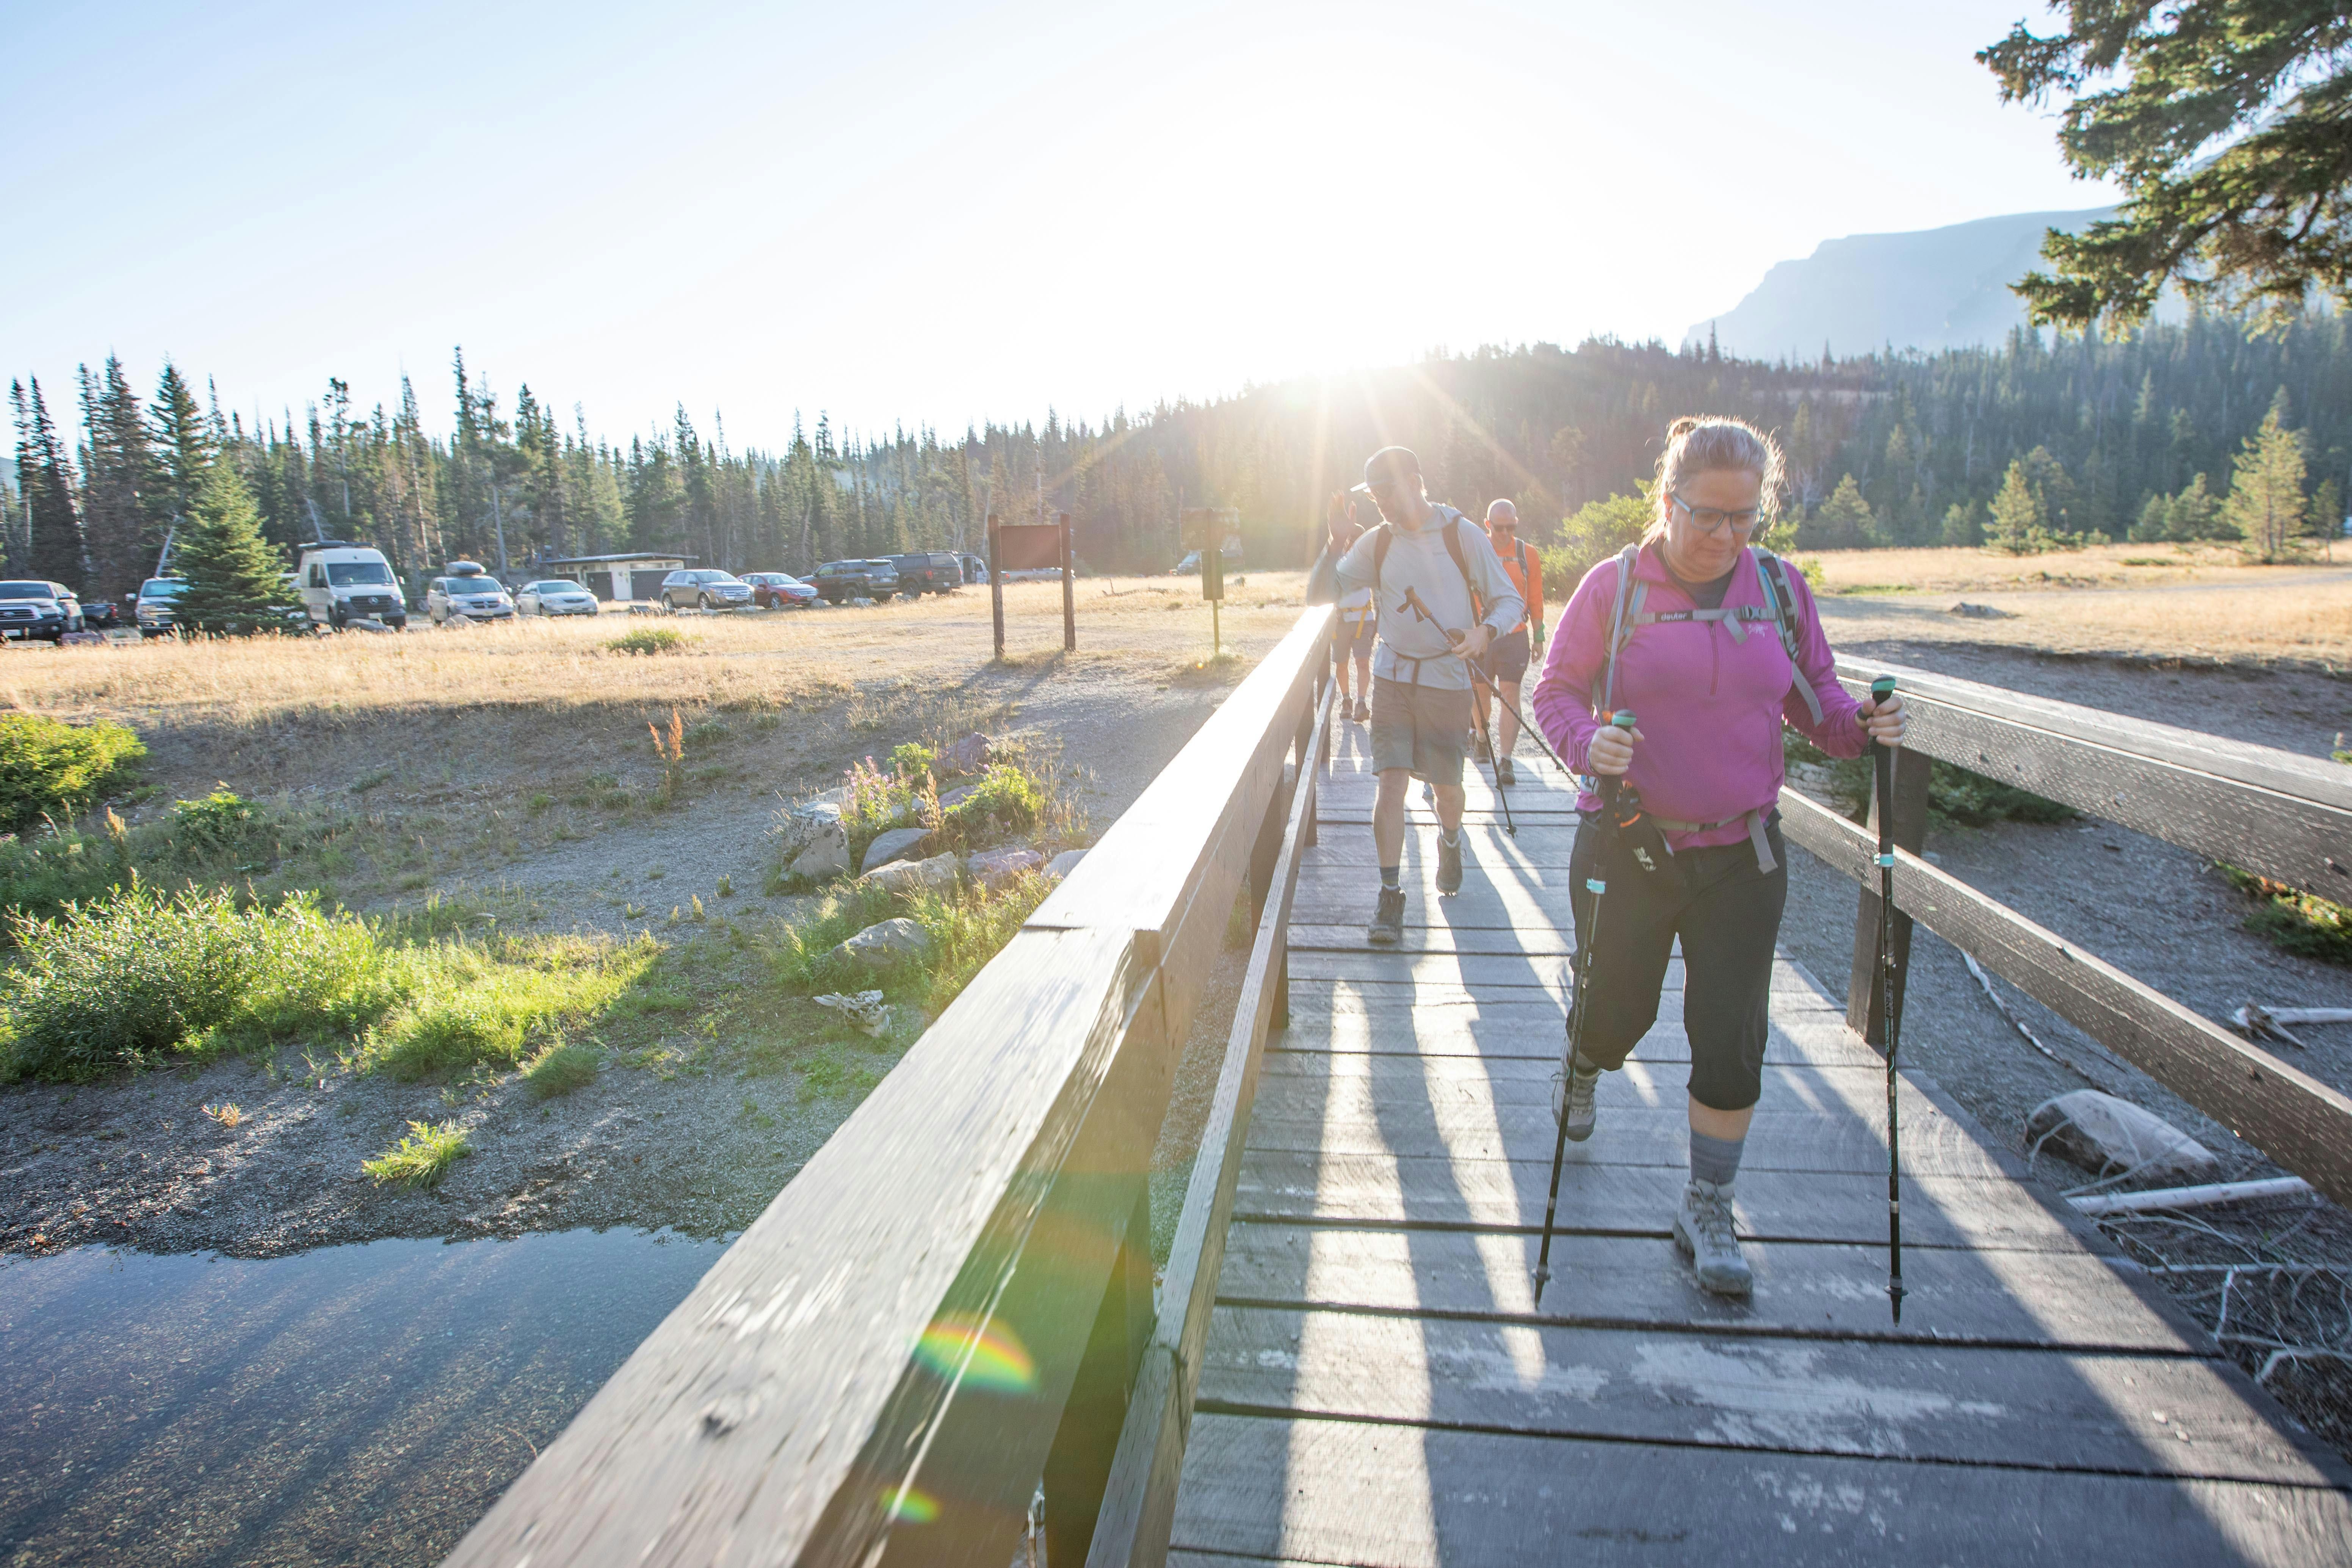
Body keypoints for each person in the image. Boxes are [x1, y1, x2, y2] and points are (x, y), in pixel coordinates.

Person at [1529, 415, 1905, 1299]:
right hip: (1630, 845)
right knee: (1616, 1012)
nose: (1725, 537)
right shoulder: (1612, 586)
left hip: (1743, 851)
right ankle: (1584, 1060)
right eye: (1706, 517)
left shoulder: (1776, 587)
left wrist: (1864, 727)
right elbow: (1551, 690)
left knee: (1730, 1036)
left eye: (1745, 519)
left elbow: (1820, 706)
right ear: (1666, 503)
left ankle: (1707, 1204)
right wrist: (1589, 745)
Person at [1335, 446, 1524, 946]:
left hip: (1446, 681)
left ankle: (1450, 839)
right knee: (1390, 785)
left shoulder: (1460, 534)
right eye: (1373, 494)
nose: (1379, 501)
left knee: (1446, 789)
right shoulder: (1375, 543)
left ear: (1415, 481)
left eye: (1387, 489)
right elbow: (1327, 588)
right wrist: (1334, 542)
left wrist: (1484, 633)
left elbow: (1510, 599)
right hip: (1393, 677)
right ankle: (1390, 892)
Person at [1472, 498, 1545, 785]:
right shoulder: (1477, 550)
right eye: (1498, 528)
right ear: (1487, 525)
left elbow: (1536, 597)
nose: (1504, 533)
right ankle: (1480, 737)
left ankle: (1506, 760)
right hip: (1482, 635)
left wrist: (1539, 635)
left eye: (1510, 527)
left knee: (1510, 695)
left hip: (1515, 635)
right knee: (1480, 694)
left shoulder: (1527, 554)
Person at [1324, 493, 1375, 721]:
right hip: (1342, 619)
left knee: (1363, 663)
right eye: (1350, 537)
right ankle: (1347, 700)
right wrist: (1336, 518)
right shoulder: (1339, 557)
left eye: (1357, 538)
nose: (1353, 541)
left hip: (1364, 619)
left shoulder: (1369, 560)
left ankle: (1362, 703)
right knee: (1342, 663)